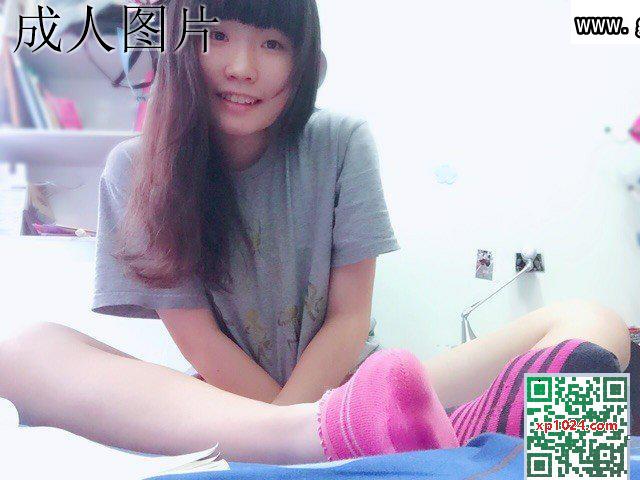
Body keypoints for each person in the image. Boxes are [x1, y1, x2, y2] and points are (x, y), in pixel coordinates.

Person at [0, 0, 631, 466]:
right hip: (233, 412)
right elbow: (199, 342)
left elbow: (348, 319)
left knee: (594, 323)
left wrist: (319, 422)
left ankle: (546, 464)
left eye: (273, 43)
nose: (242, 66)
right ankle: (441, 445)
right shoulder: (136, 171)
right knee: (19, 349)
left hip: (366, 395)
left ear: (304, 62)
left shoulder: (340, 142)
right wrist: (302, 432)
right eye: (216, 35)